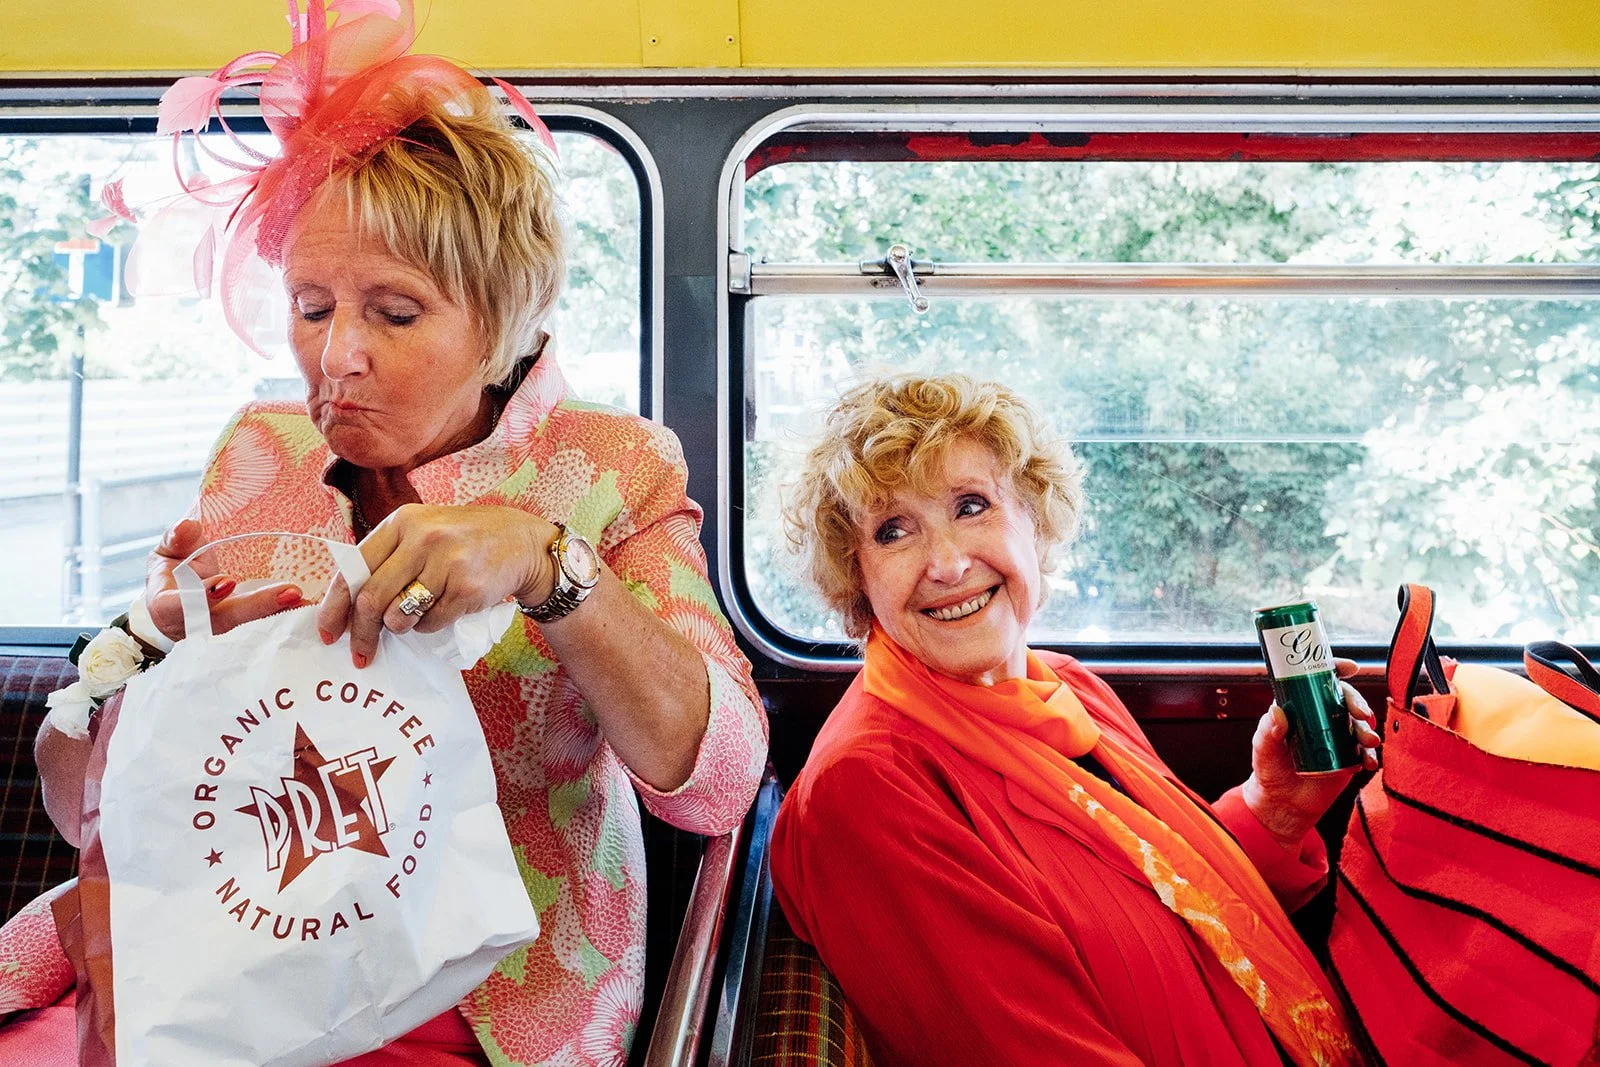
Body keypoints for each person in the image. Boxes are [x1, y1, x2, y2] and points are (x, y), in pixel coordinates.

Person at [0, 4, 767, 1064]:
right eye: (312, 307)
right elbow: (84, 794)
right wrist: (134, 676)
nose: (337, 356)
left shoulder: (609, 466)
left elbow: (720, 781)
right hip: (214, 940)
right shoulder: (255, 450)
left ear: (505, 321)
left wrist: (551, 569)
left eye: (395, 313)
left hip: (475, 983)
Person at [769, 373, 1381, 1067]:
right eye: (894, 530)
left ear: (1033, 518)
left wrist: (1272, 812)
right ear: (858, 579)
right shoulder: (867, 792)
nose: (946, 562)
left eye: (971, 505)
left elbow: (1166, 909)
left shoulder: (1065, 686)